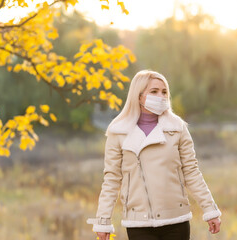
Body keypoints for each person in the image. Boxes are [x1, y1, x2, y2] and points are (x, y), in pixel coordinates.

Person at [87, 70, 221, 240]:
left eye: (164, 92)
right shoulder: (118, 131)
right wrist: (103, 220)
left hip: (176, 220)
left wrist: (210, 210)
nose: (161, 96)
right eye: (154, 92)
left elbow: (191, 172)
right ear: (139, 96)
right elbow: (112, 179)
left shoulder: (177, 128)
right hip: (139, 223)